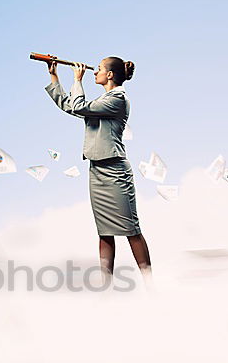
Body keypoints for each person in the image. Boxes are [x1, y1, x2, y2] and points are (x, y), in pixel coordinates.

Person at [45, 57, 152, 285]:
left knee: (131, 230)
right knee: (104, 232)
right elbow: (70, 106)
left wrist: (77, 79)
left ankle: (150, 284)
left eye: (100, 69)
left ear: (110, 75)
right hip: (97, 171)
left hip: (115, 172)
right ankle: (106, 288)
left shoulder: (118, 99)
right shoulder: (103, 99)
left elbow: (78, 105)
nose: (95, 72)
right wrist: (54, 75)